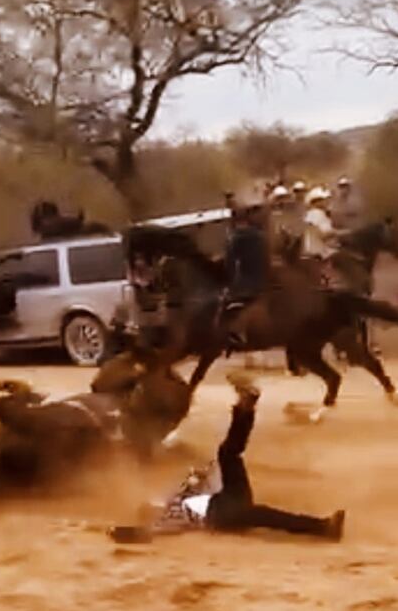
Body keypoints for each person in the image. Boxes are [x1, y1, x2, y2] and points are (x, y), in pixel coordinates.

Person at [109, 374, 345, 543]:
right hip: (222, 515)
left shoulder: (176, 499)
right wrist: (123, 532)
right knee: (266, 515)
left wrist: (198, 474)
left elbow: (199, 478)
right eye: (148, 507)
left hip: (227, 498)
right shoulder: (166, 516)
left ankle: (246, 407)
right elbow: (148, 533)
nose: (152, 504)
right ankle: (322, 528)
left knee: (228, 453)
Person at [222, 196, 270, 348]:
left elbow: (230, 261)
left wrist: (228, 280)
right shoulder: (259, 235)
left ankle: (237, 330)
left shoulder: (239, 236)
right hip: (260, 277)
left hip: (248, 279)